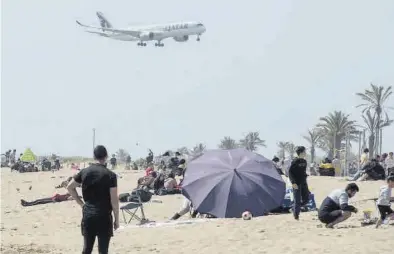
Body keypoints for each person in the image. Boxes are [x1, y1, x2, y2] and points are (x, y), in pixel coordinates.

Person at [67, 145, 119, 254]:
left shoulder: (84, 172)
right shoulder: (111, 175)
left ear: (94, 156)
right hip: (104, 216)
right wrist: (117, 219)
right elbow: (114, 201)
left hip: (88, 214)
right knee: (103, 251)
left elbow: (70, 187)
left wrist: (81, 204)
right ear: (106, 156)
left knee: (87, 249)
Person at [288, 146, 310, 220]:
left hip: (303, 182)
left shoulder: (304, 161)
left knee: (307, 198)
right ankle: (296, 215)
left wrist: (305, 175)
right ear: (300, 152)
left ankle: (294, 208)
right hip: (296, 183)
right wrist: (293, 182)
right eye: (304, 152)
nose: (305, 153)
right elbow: (290, 172)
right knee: (297, 199)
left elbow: (302, 172)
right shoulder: (295, 161)